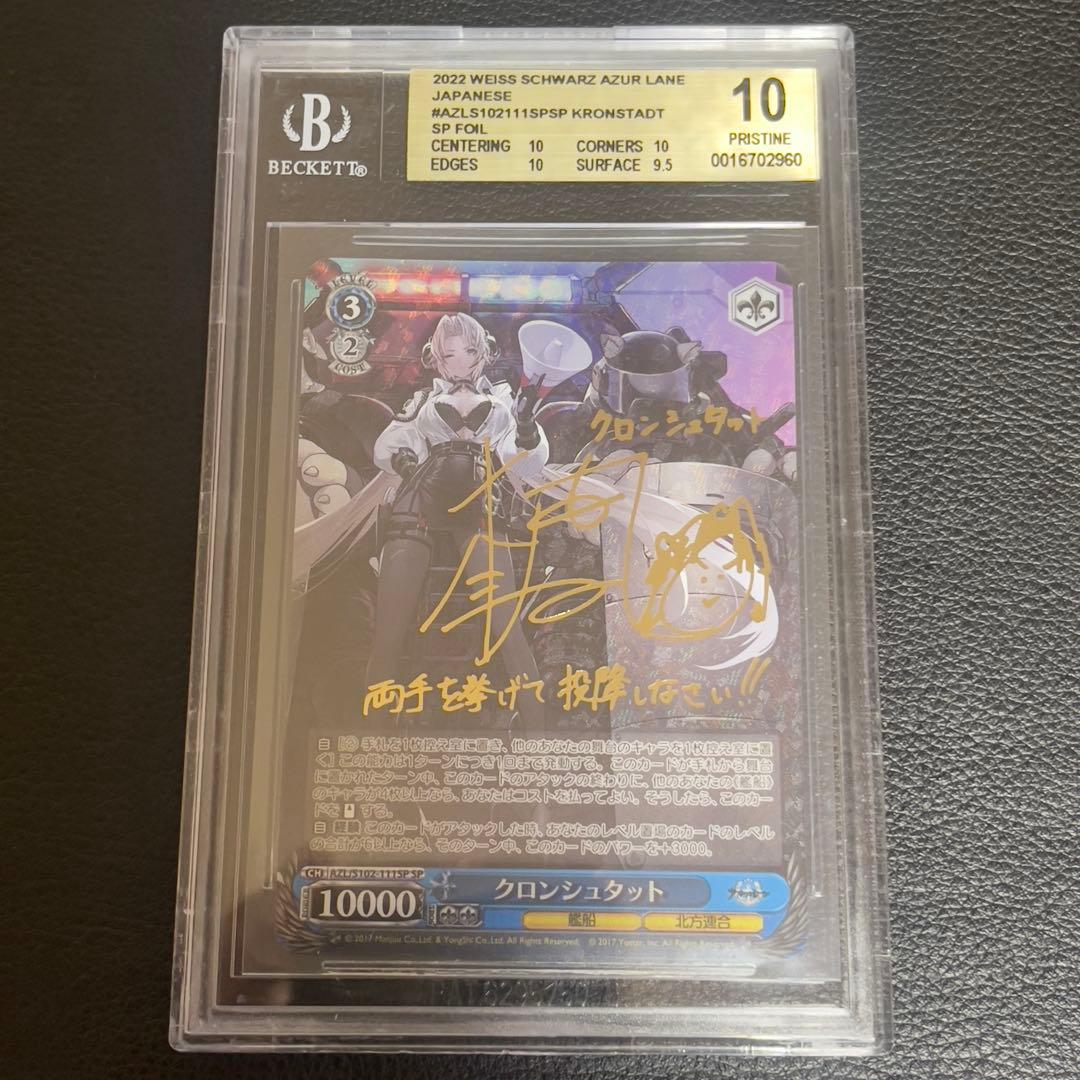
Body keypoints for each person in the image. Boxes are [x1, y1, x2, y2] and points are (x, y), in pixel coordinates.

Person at [366, 313, 547, 727]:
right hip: (420, 500)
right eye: (449, 354)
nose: (460, 362)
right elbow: (387, 446)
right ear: (436, 357)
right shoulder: (423, 400)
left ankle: (539, 735)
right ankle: (370, 731)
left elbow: (525, 461)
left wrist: (525, 426)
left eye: (468, 351)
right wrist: (404, 459)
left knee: (506, 627)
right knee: (389, 627)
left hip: (479, 501)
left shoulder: (504, 400)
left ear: (483, 351)